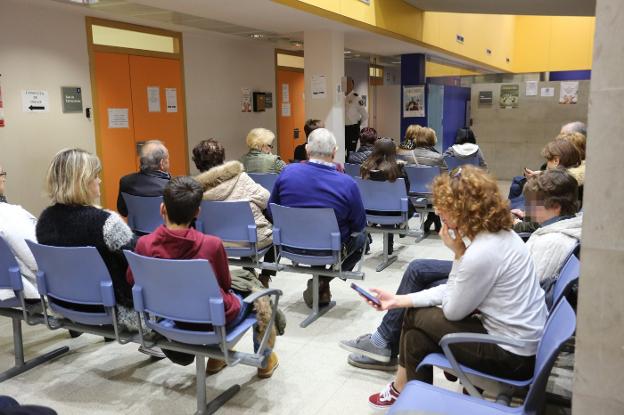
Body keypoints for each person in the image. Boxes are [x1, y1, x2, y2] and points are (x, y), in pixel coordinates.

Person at [341, 167, 547, 401]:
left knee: (414, 316)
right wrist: (398, 300)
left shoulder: (482, 252)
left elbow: (452, 309)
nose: (438, 212)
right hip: (519, 344)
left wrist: (459, 253)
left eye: (445, 208)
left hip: (512, 356)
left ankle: (407, 394)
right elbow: (455, 288)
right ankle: (411, 398)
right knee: (415, 337)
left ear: (466, 211)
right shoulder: (501, 235)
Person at [127, 177, 278, 377]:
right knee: (260, 298)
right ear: (197, 212)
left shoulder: (143, 244)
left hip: (168, 319)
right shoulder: (212, 245)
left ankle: (217, 358)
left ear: (162, 208)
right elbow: (224, 285)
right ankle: (264, 361)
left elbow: (132, 280)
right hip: (213, 320)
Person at [36, 149, 162, 355]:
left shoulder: (44, 220)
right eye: (96, 176)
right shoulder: (105, 222)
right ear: (82, 182)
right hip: (115, 309)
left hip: (66, 304)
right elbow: (140, 256)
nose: (99, 181)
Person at [269, 128, 367, 306]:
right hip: (330, 249)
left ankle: (322, 283)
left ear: (307, 149)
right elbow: (359, 225)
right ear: (335, 151)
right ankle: (323, 280)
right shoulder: (347, 183)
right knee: (362, 238)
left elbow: (271, 210)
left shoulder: (287, 173)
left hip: (290, 247)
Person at [192, 138, 275, 287]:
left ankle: (249, 274)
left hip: (215, 242)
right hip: (251, 241)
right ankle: (264, 276)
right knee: (275, 233)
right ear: (222, 158)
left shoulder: (195, 191)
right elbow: (266, 198)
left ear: (197, 163)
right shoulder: (240, 178)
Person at [523, 169, 582, 305]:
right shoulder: (571, 227)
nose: (528, 209)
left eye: (533, 204)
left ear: (555, 206)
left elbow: (525, 290)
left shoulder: (551, 243)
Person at [360, 137, 409, 255]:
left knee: (386, 203)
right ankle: (401, 225)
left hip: (369, 211)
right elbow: (406, 190)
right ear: (393, 152)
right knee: (399, 202)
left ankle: (377, 227)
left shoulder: (364, 169)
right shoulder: (398, 171)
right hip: (394, 211)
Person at [0, 164, 39, 301]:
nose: (4, 179)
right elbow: (37, 259)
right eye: (2, 175)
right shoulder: (10, 214)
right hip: (19, 291)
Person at [117, 140, 171, 217]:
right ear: (161, 163)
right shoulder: (172, 186)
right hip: (164, 229)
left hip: (136, 229)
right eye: (168, 158)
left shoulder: (125, 182)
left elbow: (123, 211)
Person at [344, 77, 368, 162]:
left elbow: (365, 115)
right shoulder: (340, 96)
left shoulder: (357, 98)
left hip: (352, 128)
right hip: (342, 129)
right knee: (341, 151)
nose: (345, 85)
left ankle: (350, 170)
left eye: (347, 83)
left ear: (352, 85)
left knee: (351, 152)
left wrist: (358, 125)